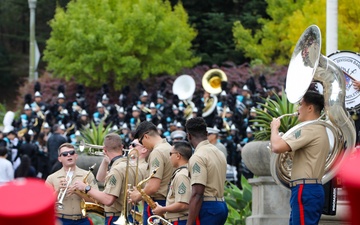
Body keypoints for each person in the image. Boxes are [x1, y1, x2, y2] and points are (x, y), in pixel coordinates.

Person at [270, 90, 329, 225]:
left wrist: (274, 129)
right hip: (309, 189)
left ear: (310, 108)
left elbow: (277, 147)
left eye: (300, 104)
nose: (297, 109)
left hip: (305, 189)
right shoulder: (318, 128)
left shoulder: (309, 129)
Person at [73, 133, 138, 225]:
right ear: (122, 147)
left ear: (104, 149)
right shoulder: (128, 164)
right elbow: (100, 178)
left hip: (116, 217)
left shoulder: (116, 169)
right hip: (128, 214)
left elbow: (108, 200)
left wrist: (86, 188)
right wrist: (105, 160)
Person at [129, 121, 173, 225]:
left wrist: (137, 196)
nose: (143, 145)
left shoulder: (157, 152)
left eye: (141, 141)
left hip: (156, 204)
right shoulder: (170, 147)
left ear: (146, 136)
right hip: (168, 202)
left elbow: (153, 186)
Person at [185, 117, 228, 225]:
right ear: (206, 133)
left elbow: (197, 193)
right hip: (221, 204)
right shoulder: (218, 152)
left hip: (208, 207)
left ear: (189, 136)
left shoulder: (198, 157)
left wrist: (189, 223)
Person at [46, 143, 98, 225]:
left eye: (72, 152)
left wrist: (78, 192)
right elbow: (46, 203)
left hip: (82, 220)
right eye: (65, 154)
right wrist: (59, 191)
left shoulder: (87, 175)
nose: (69, 155)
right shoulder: (51, 178)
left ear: (76, 156)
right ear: (60, 159)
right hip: (61, 220)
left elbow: (96, 201)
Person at [152, 141, 192, 225]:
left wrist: (162, 209)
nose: (169, 157)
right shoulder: (185, 171)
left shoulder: (182, 175)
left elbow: (182, 204)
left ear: (178, 156)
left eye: (170, 154)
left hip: (180, 220)